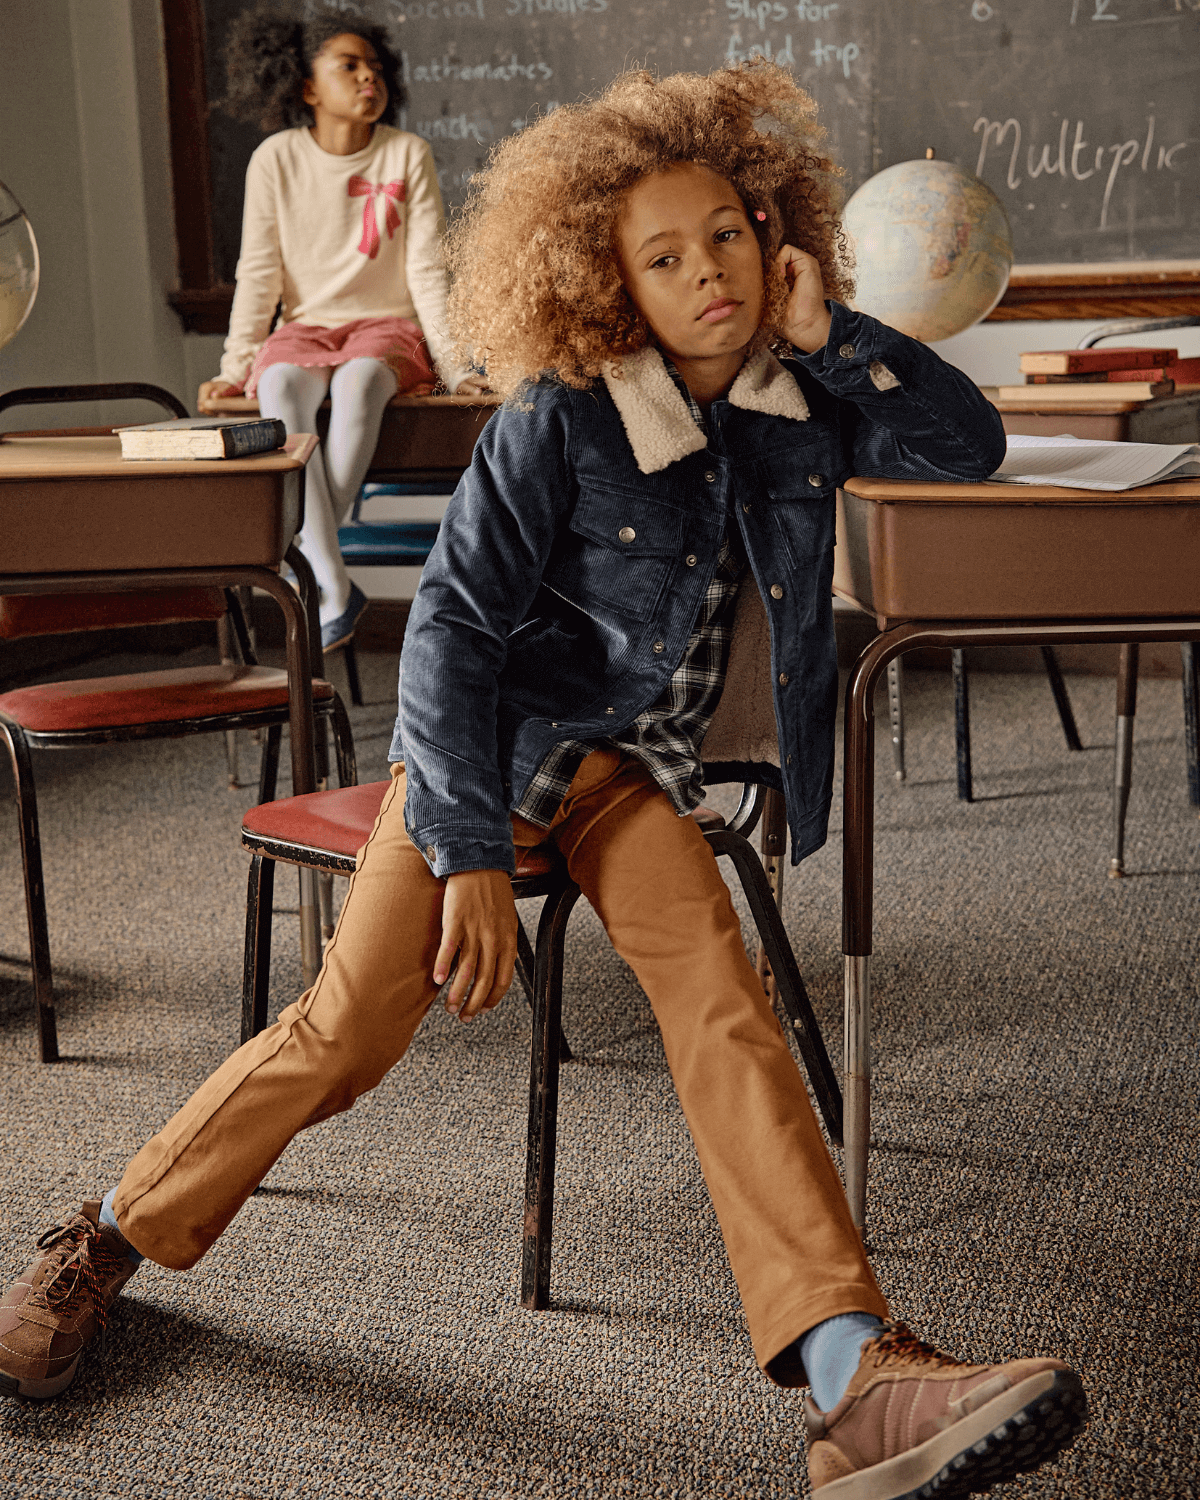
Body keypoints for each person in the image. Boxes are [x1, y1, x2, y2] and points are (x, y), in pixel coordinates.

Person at [0, 63, 1087, 1499]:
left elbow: (971, 443)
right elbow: (447, 635)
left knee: (726, 1008)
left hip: (632, 783)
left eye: (728, 236)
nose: (708, 274)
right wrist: (460, 854)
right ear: (607, 281)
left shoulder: (799, 398)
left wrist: (840, 335)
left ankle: (851, 1390)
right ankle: (105, 1243)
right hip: (487, 763)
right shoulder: (563, 415)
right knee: (346, 1031)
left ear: (776, 236)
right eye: (662, 256)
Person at [195, 8, 488, 651]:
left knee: (359, 385)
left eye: (375, 68)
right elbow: (259, 274)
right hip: (305, 329)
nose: (368, 79)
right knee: (278, 389)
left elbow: (429, 273)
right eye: (348, 67)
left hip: (387, 328)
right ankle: (332, 580)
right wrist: (234, 366)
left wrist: (457, 364)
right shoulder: (274, 159)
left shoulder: (407, 153)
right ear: (305, 87)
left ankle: (300, 545)